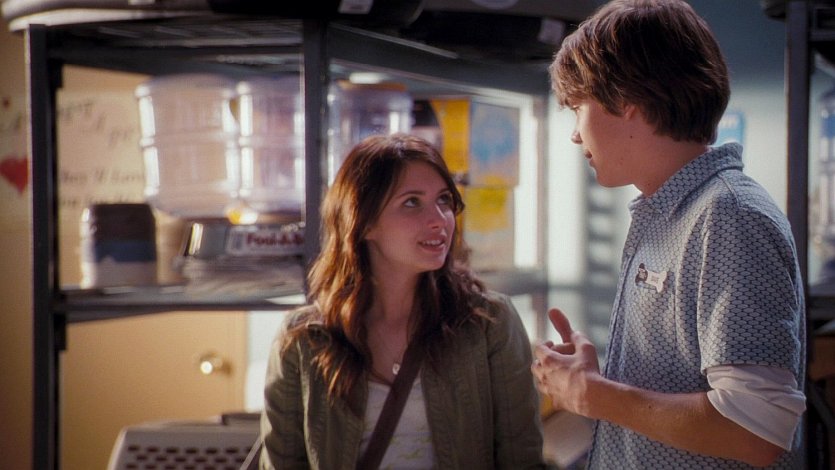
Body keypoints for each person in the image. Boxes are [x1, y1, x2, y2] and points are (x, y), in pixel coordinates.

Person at [531, 1, 807, 468]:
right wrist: (598, 383)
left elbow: (756, 430)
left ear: (626, 101)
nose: (576, 134)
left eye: (578, 107)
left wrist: (594, 395)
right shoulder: (670, 212)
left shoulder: (728, 216)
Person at [260, 133, 545, 469]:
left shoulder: (488, 324)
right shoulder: (305, 339)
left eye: (444, 200)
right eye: (412, 202)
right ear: (363, 222)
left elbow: (521, 460)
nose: (439, 219)